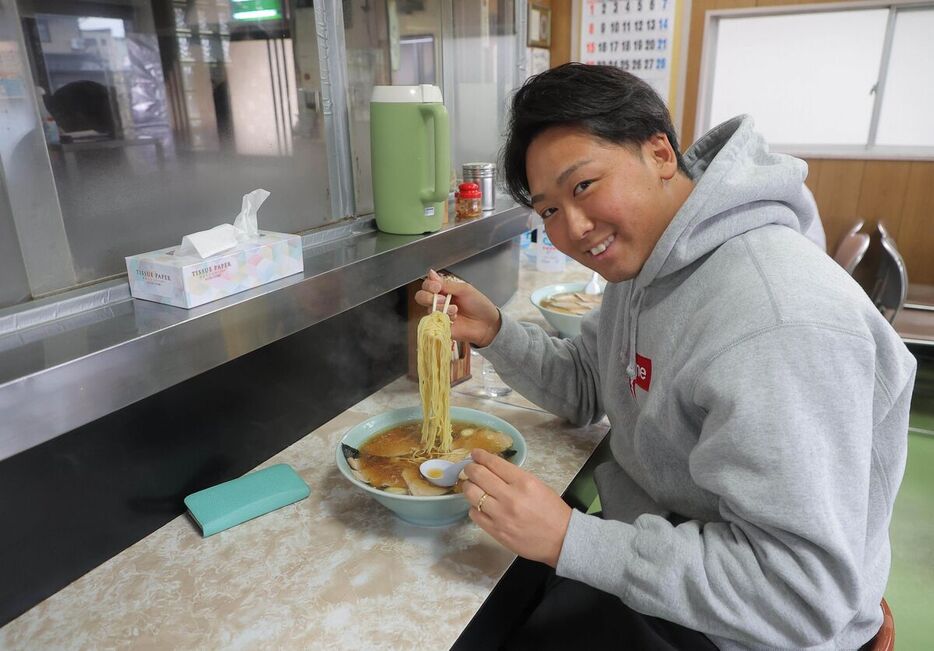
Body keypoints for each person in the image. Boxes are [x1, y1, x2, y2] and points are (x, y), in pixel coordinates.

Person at [416, 63, 916, 650]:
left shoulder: (775, 320)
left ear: (659, 153)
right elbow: (589, 383)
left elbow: (801, 596)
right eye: (549, 210)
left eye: (583, 186)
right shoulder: (647, 259)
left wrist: (568, 539)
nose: (574, 228)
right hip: (670, 561)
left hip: (749, 632)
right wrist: (496, 331)